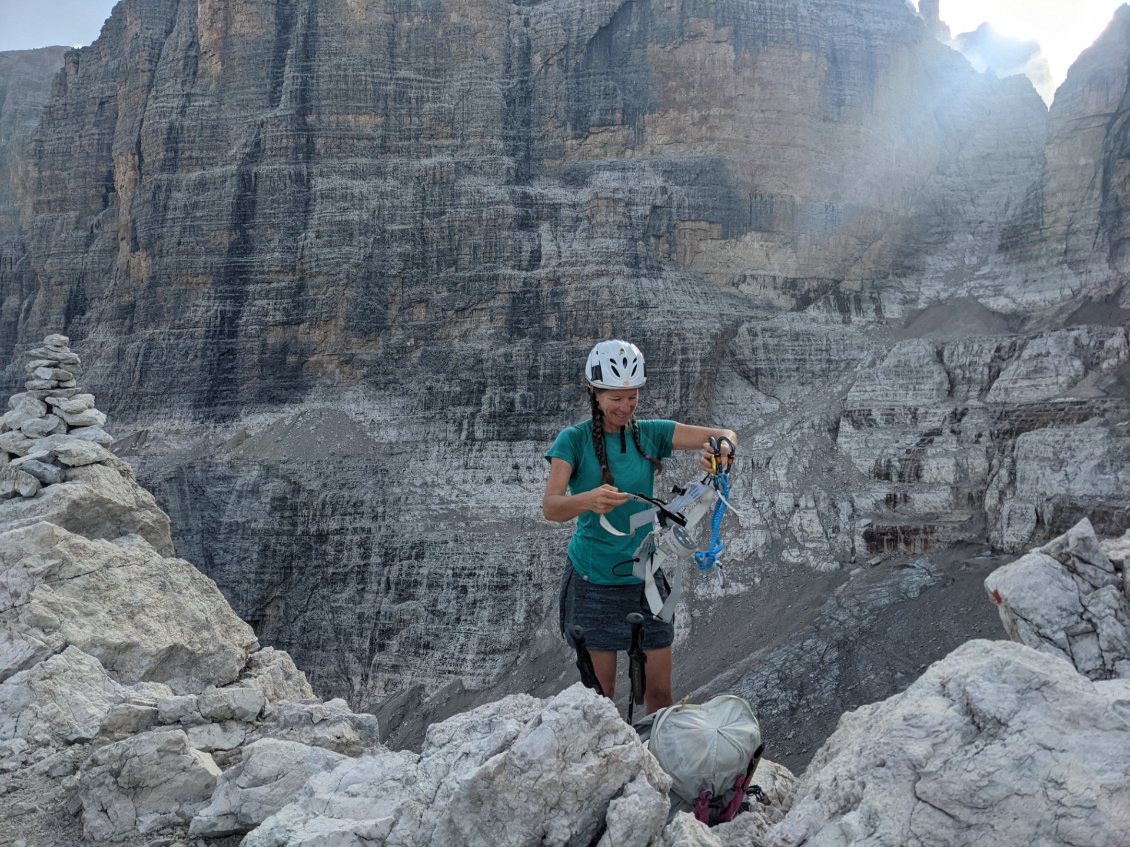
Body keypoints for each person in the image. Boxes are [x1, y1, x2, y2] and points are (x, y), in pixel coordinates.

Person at [543, 339, 737, 714]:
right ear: (593, 392)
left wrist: (721, 451)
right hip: (594, 580)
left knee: (661, 695)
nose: (625, 406)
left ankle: (655, 767)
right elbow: (551, 507)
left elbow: (724, 433)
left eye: (631, 397)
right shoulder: (573, 440)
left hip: (643, 576)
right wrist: (588, 500)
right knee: (603, 699)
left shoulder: (650, 432)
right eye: (615, 397)